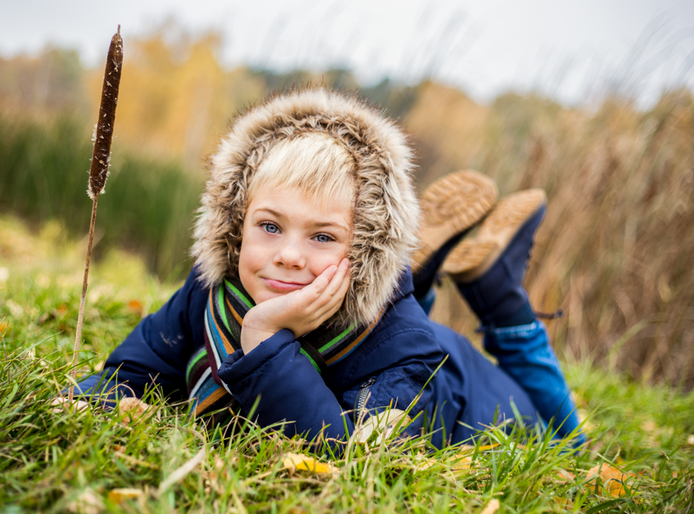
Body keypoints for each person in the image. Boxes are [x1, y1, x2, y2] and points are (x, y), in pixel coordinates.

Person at [64, 88, 583, 448]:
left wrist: (265, 335)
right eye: (269, 226)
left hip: (482, 401)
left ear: (365, 250)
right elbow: (133, 371)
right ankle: (420, 279)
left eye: (321, 236)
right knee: (397, 316)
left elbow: (337, 453)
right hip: (403, 329)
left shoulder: (403, 358)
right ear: (235, 222)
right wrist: (95, 401)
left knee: (568, 442)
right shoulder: (208, 295)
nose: (288, 254)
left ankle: (499, 295)